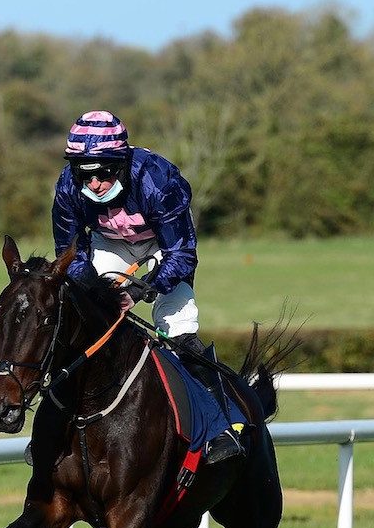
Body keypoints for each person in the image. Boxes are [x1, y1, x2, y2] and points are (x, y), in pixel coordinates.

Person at [52, 110, 242, 464]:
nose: (93, 184)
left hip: (163, 248)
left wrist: (140, 291)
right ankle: (54, 428)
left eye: (104, 172)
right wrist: (97, 293)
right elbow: (70, 256)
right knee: (80, 320)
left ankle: (223, 425)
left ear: (121, 163)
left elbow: (183, 254)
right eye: (85, 174)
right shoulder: (67, 187)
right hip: (111, 246)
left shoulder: (159, 181)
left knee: (178, 327)